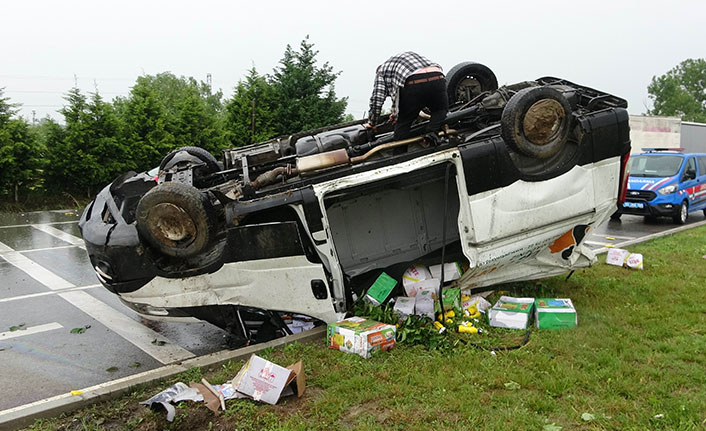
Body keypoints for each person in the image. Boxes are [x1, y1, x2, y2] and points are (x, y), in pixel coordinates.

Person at [366, 51, 449, 142]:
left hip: (415, 82)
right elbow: (399, 96)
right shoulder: (401, 61)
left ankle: (399, 152)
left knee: (404, 123)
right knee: (440, 110)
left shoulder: (381, 72)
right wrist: (395, 114)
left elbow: (377, 100)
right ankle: (431, 133)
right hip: (438, 76)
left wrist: (372, 123)